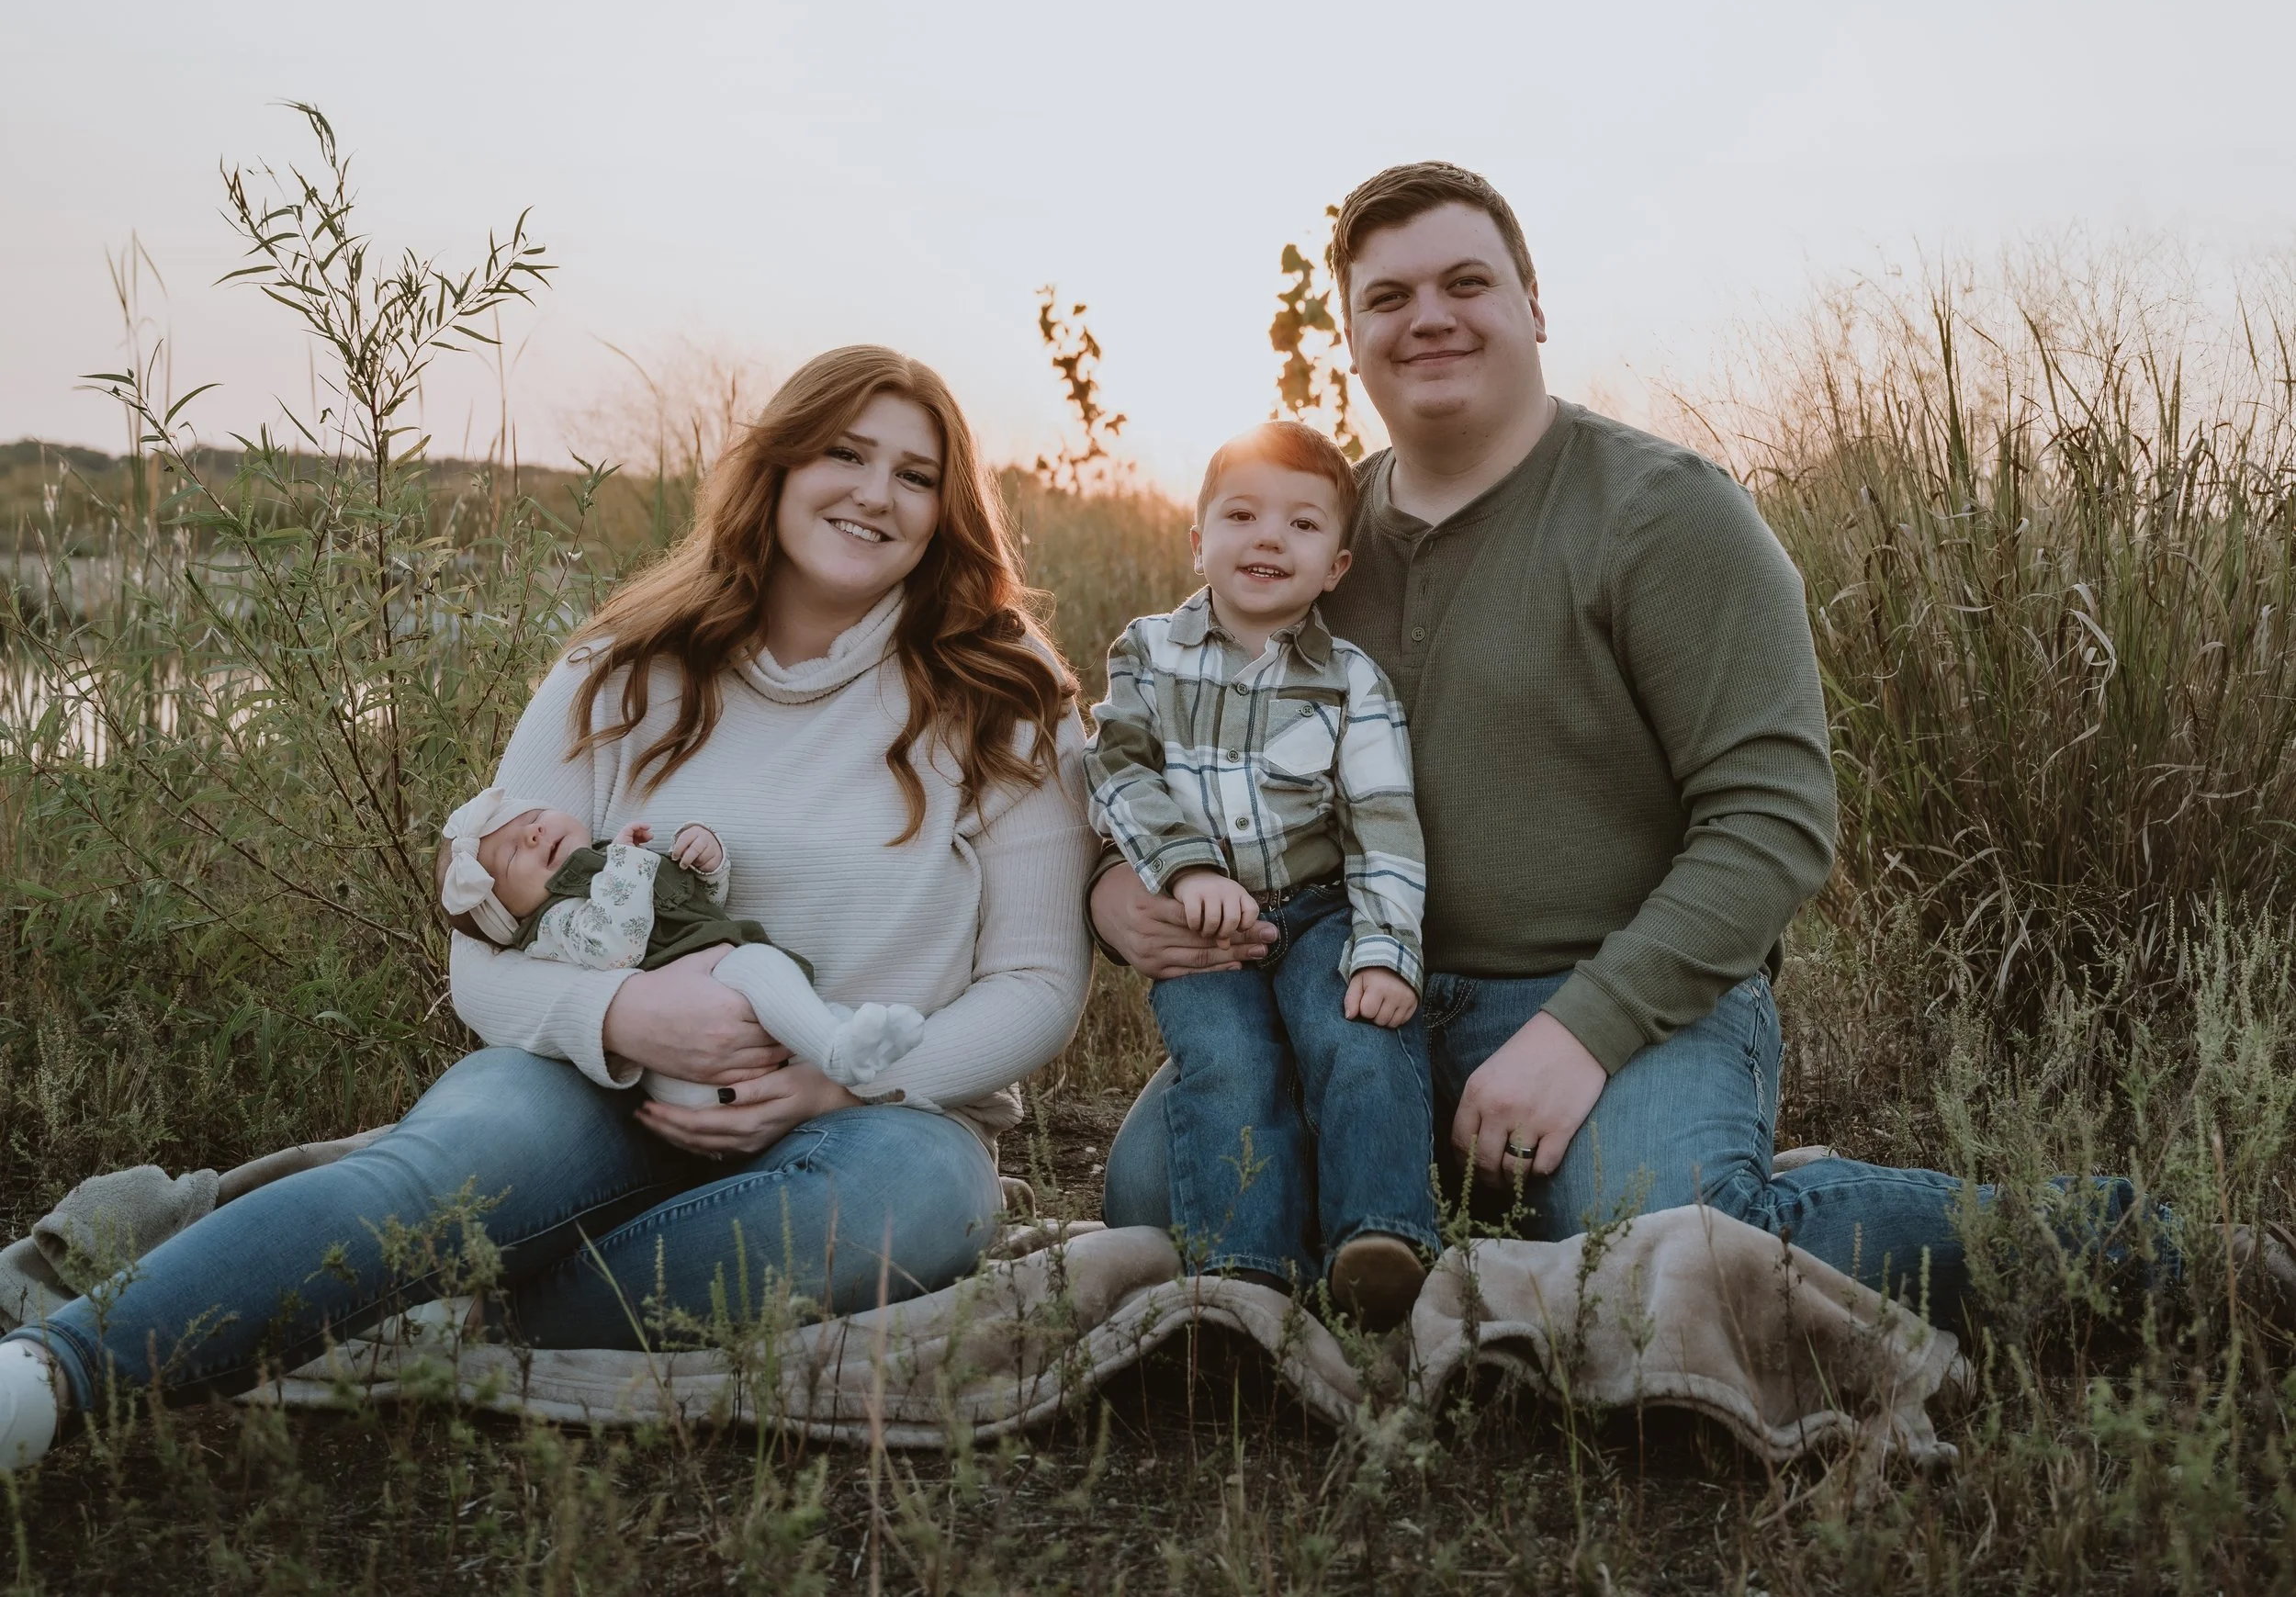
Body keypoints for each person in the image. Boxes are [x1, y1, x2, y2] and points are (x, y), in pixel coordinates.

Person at [1094, 160, 2256, 1329]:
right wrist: (1115, 895)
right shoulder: (1306, 531)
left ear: (1533, 305)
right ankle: (1482, 1194)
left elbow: (1772, 822)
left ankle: (2138, 1252)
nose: (1428, 316)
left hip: (1612, 991)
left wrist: (1578, 1034)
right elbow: (1174, 743)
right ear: (1349, 332)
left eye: (1466, 282)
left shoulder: (1662, 512)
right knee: (1157, 1192)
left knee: (1656, 1242)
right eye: (1388, 297)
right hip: (1355, 990)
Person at [0, 345, 1095, 1472]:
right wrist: (624, 1016)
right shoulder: (622, 667)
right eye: (846, 453)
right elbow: (482, 958)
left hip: (879, 1128)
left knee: (908, 1207)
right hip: (594, 1092)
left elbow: (1039, 988)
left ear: (944, 513)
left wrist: (834, 1077)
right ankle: (49, 1376)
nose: (876, 492)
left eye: (916, 476)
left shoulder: (1002, 692)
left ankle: (457, 1302)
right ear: (774, 468)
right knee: (440, 1170)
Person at [1085, 420, 1434, 1327]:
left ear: (1337, 567)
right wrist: (1186, 869)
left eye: (1302, 525)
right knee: (1229, 1062)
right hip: (1204, 928)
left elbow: (1385, 820)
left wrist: (1385, 947)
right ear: (1197, 540)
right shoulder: (1149, 654)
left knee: (1358, 1035)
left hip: (1319, 913)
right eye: (1241, 515)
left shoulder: (1352, 682)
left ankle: (1380, 1239)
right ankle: (1245, 1272)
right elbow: (1116, 770)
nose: (1268, 537)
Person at [433, 793, 925, 1095]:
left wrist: (708, 867)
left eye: (530, 820)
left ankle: (849, 1043)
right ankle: (838, 1050)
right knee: (756, 965)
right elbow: (616, 946)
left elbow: (692, 913)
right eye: (513, 852)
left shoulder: (606, 863)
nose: (535, 833)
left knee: (776, 988)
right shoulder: (553, 923)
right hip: (682, 1061)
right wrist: (625, 861)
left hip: (721, 994)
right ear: (506, 916)